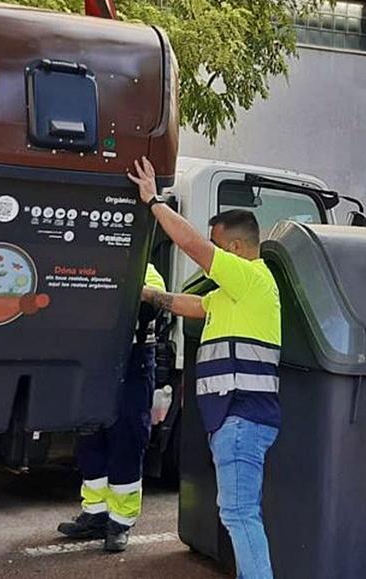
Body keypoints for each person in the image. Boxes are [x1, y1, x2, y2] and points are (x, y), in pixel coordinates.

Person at [127, 156, 281, 579]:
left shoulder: (250, 278)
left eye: (216, 246)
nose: (207, 258)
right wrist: (144, 293)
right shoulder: (234, 296)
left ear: (233, 248)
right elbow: (191, 304)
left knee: (239, 515)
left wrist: (154, 202)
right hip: (237, 419)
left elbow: (194, 246)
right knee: (238, 513)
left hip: (240, 417)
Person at [57, 263, 167, 552]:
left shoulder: (146, 270)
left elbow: (152, 305)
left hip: (132, 363)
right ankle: (95, 514)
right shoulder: (87, 265)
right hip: (90, 362)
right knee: (90, 438)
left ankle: (120, 522)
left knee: (126, 440)